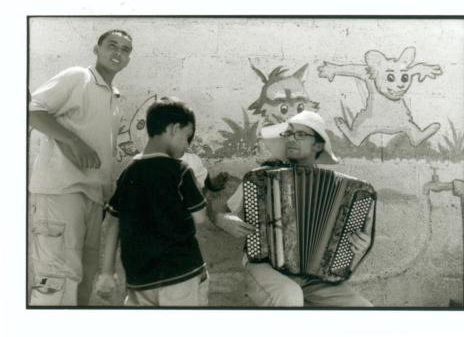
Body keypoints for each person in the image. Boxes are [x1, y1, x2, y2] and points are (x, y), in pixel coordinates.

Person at [213, 110, 374, 307]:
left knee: (363, 309)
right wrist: (222, 219)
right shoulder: (261, 178)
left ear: (318, 145)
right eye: (288, 134)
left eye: (300, 134)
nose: (291, 139)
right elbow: (222, 210)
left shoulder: (343, 191)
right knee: (290, 295)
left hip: (315, 277)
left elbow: (350, 242)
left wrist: (360, 245)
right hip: (265, 266)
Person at [28, 29, 133, 306]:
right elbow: (33, 110)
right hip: (62, 191)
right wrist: (74, 141)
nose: (118, 53)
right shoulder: (79, 77)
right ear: (96, 49)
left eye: (125, 50)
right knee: (57, 278)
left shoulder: (114, 96)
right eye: (112, 45)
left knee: (83, 280)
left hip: (93, 198)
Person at [96, 100, 209, 306]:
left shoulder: (128, 173)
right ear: (174, 129)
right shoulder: (181, 170)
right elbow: (200, 217)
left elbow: (113, 224)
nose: (187, 146)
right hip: (181, 273)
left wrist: (107, 272)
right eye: (187, 137)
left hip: (140, 280)